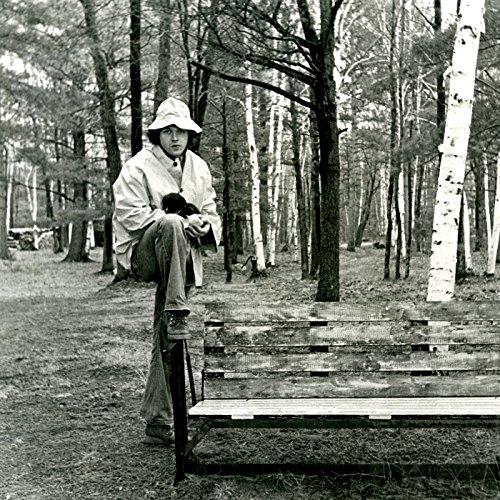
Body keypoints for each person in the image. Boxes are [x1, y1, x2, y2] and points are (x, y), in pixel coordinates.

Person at [112, 97, 221, 444]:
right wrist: (178, 221)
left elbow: (210, 210)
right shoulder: (137, 166)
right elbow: (130, 215)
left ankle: (158, 422)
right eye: (168, 131)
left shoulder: (199, 167)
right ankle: (177, 308)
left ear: (189, 134)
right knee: (172, 223)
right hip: (145, 253)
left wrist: (203, 224)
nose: (175, 138)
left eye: (182, 132)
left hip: (181, 258)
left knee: (167, 335)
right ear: (157, 134)